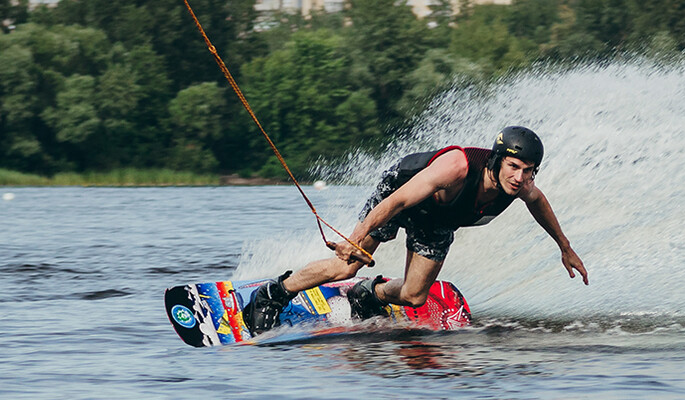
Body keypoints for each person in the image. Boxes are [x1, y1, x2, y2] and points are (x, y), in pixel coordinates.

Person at [244, 126, 588, 332]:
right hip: (403, 194)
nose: (520, 177)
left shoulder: (522, 186)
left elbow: (539, 204)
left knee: (413, 296)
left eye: (529, 171)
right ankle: (273, 294)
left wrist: (565, 247)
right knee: (347, 265)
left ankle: (369, 294)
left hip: (438, 218)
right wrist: (355, 239)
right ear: (497, 161)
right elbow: (395, 203)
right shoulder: (457, 168)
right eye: (514, 167)